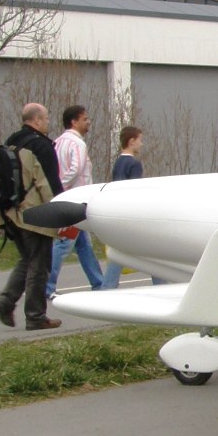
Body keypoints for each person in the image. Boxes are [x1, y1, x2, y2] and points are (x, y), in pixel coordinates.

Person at [0, 103, 64, 330]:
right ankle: (35, 316)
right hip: (34, 214)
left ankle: (6, 300)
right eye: (45, 119)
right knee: (39, 265)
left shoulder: (10, 142)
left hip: (9, 213)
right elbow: (49, 183)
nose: (48, 123)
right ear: (36, 120)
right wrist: (59, 213)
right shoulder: (40, 146)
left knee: (27, 259)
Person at [46, 105, 104, 298]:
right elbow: (77, 169)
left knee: (83, 244)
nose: (88, 123)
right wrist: (63, 187)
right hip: (76, 200)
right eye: (85, 119)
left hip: (66, 199)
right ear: (74, 121)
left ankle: (99, 283)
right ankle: (47, 286)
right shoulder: (78, 144)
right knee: (64, 243)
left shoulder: (58, 142)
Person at [100, 125, 145, 290]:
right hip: (129, 213)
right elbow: (133, 190)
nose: (141, 144)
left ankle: (108, 285)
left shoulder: (118, 163)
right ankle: (107, 286)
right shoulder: (135, 164)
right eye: (140, 140)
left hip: (116, 210)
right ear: (131, 141)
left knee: (119, 251)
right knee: (153, 250)